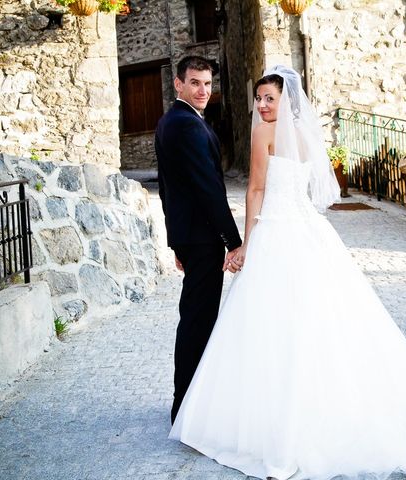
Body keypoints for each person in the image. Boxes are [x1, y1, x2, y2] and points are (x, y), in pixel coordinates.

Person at [168, 65, 406, 480]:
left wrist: (245, 243)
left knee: (273, 326)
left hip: (277, 231)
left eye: (270, 99)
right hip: (309, 232)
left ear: (286, 101)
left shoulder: (264, 133)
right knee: (325, 321)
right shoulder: (305, 133)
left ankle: (264, 419)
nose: (262, 106)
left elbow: (255, 190)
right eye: (259, 99)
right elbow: (313, 189)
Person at [155, 55, 243, 424]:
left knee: (195, 317)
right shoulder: (186, 125)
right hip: (202, 239)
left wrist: (177, 242)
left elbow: (169, 189)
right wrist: (233, 240)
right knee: (197, 320)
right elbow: (209, 191)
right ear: (178, 84)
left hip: (191, 238)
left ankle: (189, 402)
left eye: (207, 84)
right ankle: (186, 407)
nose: (203, 91)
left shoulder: (174, 121)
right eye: (195, 83)